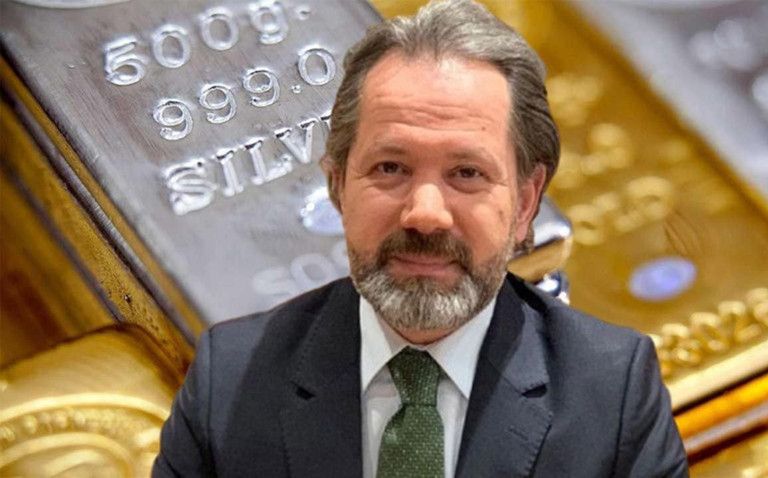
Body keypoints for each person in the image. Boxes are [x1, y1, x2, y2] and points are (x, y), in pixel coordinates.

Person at [153, 0, 688, 476]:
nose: (425, 214)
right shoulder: (231, 382)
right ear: (338, 187)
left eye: (467, 173)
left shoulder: (613, 391)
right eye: (390, 168)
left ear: (526, 204)